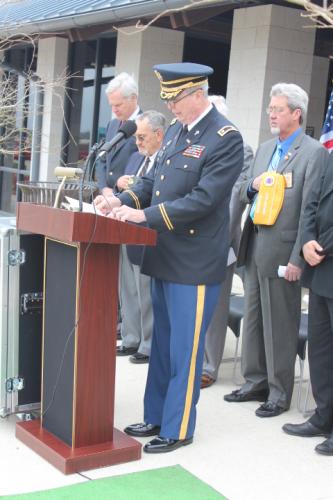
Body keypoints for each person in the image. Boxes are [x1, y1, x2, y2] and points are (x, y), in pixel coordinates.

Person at [95, 62, 244, 453]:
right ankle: (156, 415)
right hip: (165, 254)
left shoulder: (224, 137)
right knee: (161, 344)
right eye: (169, 99)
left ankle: (178, 428)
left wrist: (143, 216)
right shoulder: (178, 131)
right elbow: (151, 181)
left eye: (176, 98)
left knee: (184, 349)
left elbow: (204, 199)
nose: (171, 106)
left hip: (194, 261)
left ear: (198, 94)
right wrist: (118, 201)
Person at [224, 83, 328, 417]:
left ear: (296, 113)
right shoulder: (267, 148)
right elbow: (242, 192)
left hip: (284, 252)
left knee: (280, 323)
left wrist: (298, 257)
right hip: (254, 244)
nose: (271, 113)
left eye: (278, 109)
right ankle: (255, 381)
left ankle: (279, 391)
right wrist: (251, 187)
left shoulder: (313, 153)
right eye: (270, 108)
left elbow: (309, 210)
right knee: (254, 318)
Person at [201, 95, 253, 388]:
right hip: (193, 238)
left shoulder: (241, 150)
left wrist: (217, 238)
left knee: (216, 305)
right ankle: (195, 359)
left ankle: (209, 365)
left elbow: (235, 200)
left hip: (221, 239)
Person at [282, 151, 333, 455]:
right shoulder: (328, 157)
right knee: (322, 350)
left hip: (327, 254)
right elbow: (310, 203)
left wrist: (323, 243)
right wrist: (306, 240)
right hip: (320, 270)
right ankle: (323, 416)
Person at [116, 110, 166, 363]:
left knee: (145, 290)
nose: (138, 143)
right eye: (136, 138)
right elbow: (129, 189)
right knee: (127, 289)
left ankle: (147, 344)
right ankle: (130, 337)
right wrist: (118, 186)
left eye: (143, 138)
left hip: (149, 230)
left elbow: (152, 191)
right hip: (126, 229)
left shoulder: (164, 161)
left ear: (159, 135)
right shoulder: (136, 158)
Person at [95, 72, 141, 196]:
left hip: (129, 198)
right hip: (107, 197)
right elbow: (103, 158)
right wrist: (104, 188)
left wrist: (117, 188)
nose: (114, 110)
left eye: (118, 105)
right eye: (111, 105)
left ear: (133, 98)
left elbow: (146, 165)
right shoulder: (112, 124)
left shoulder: (145, 125)